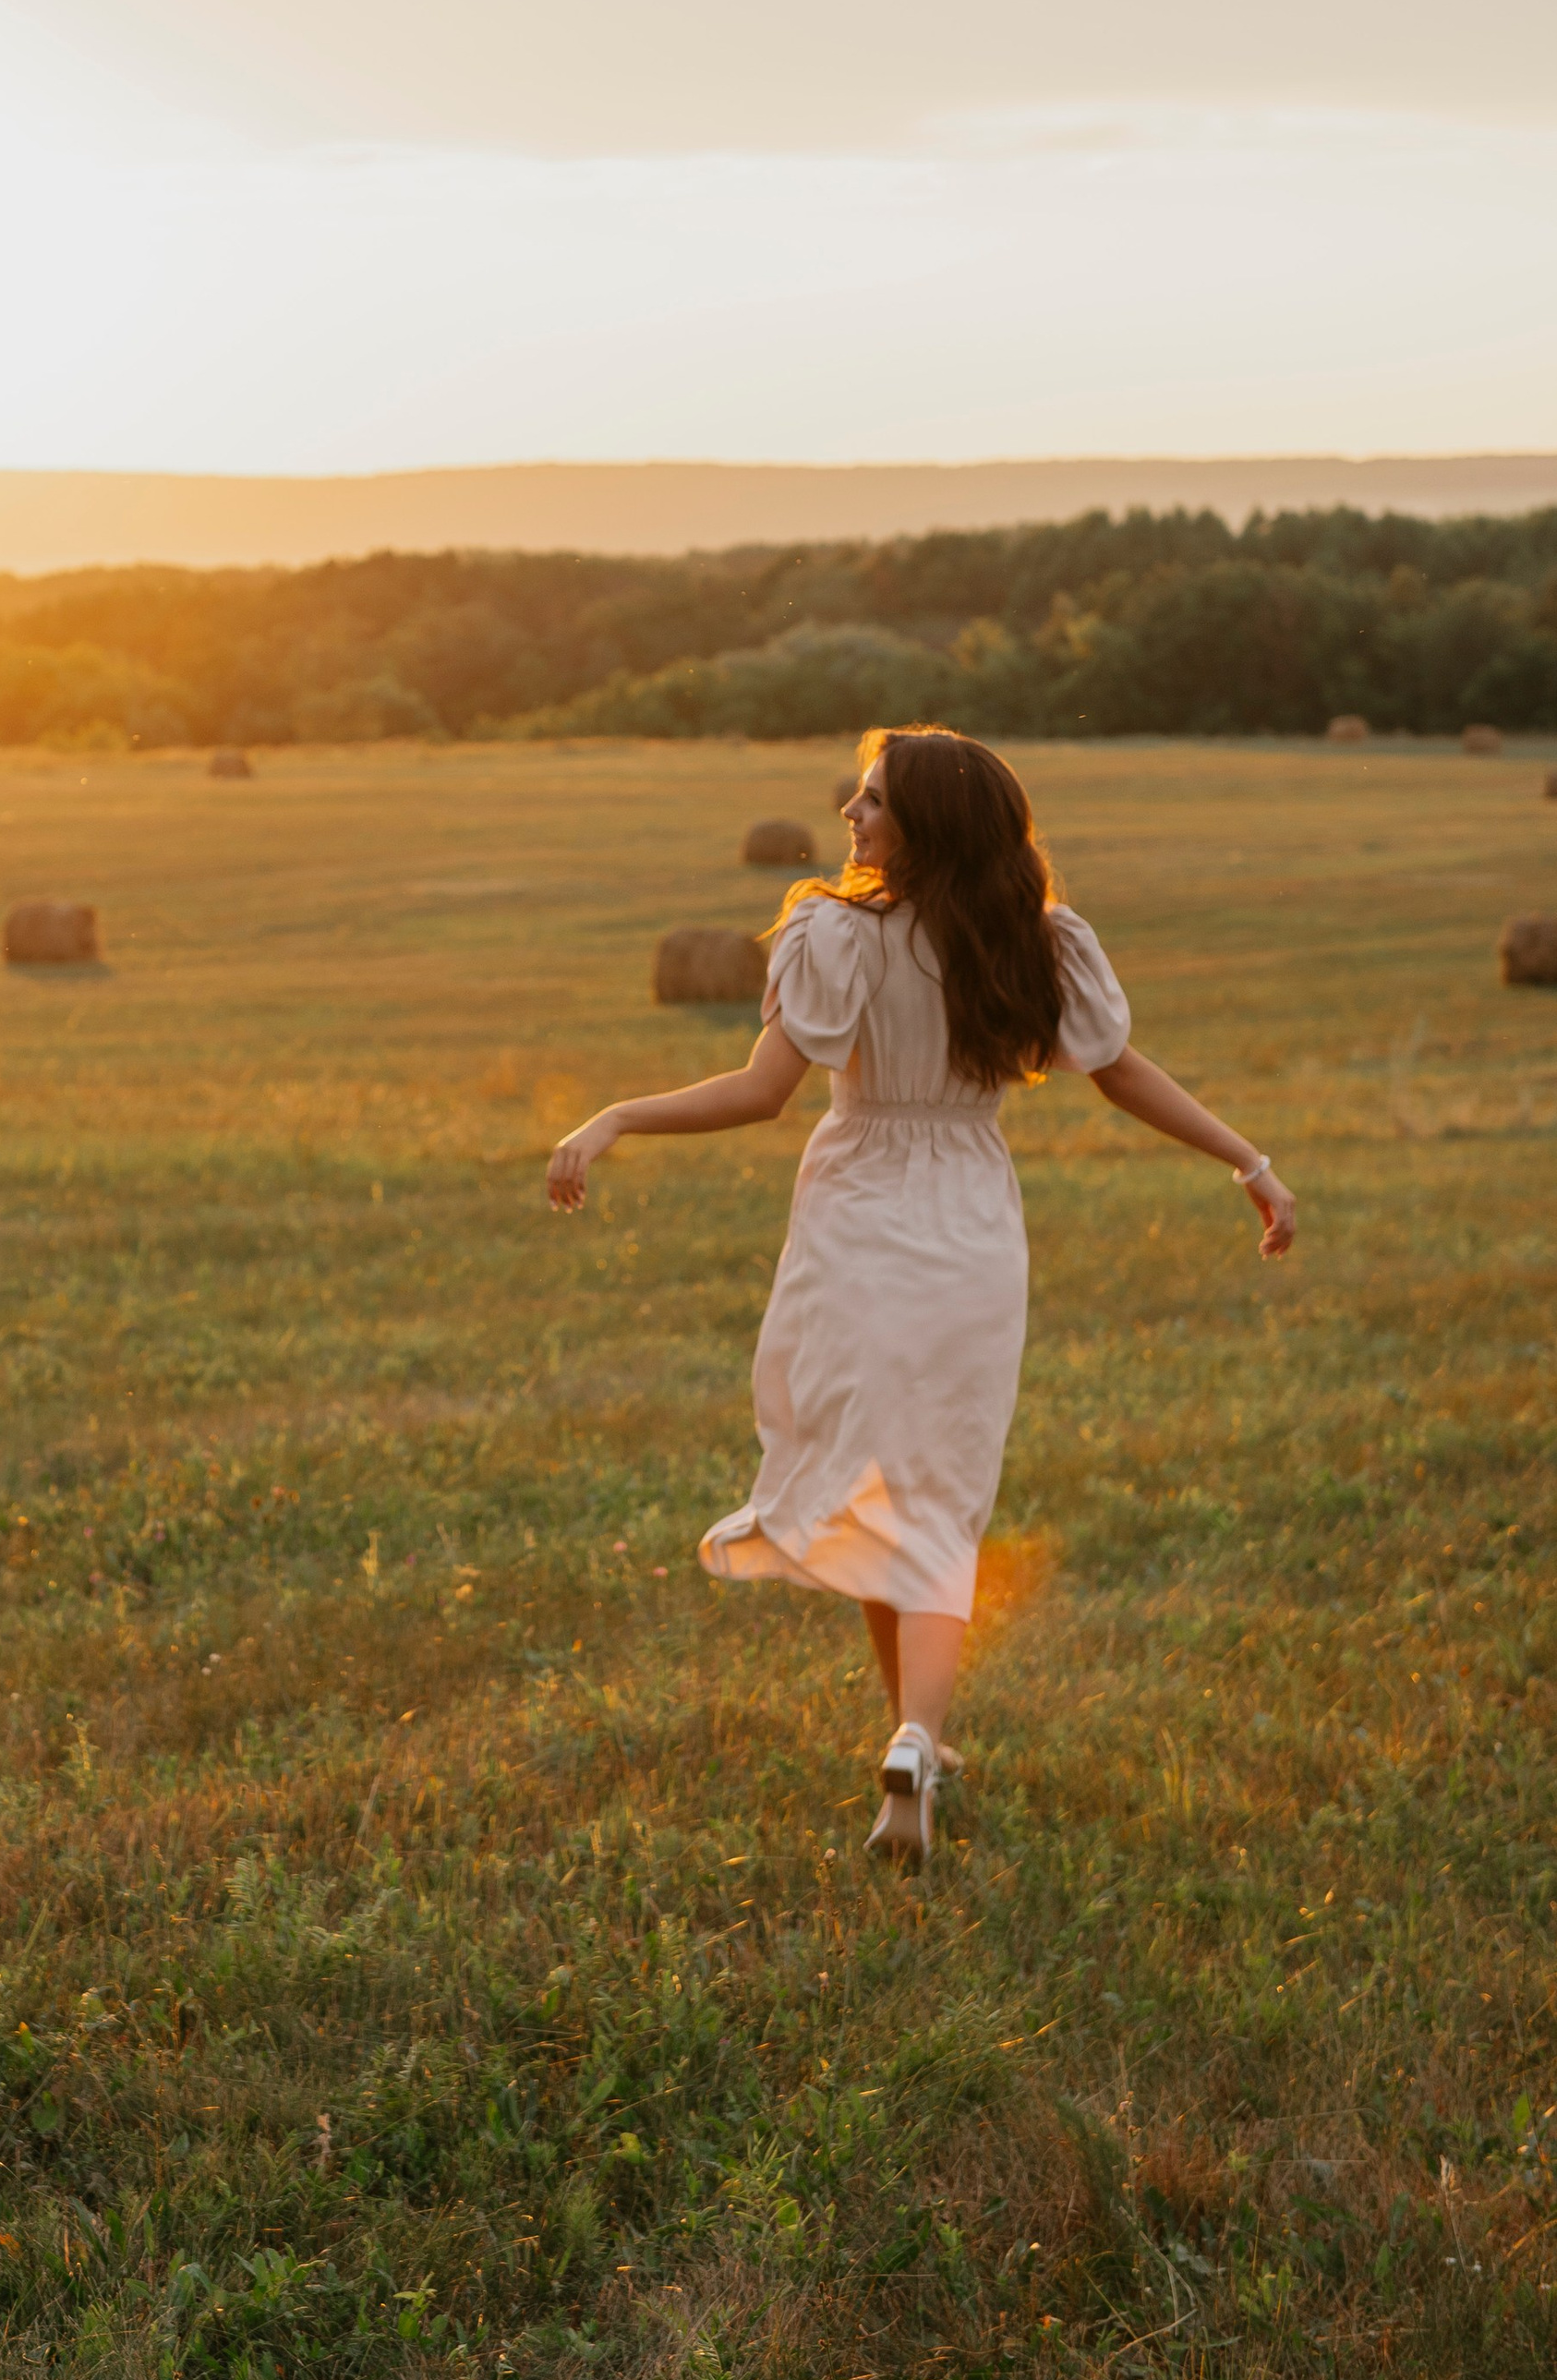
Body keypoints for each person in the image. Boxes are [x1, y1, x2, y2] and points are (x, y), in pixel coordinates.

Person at [546, 725, 1295, 1865]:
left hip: (854, 1207)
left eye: (875, 799)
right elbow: (1122, 1074)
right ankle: (918, 1740)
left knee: (874, 1484)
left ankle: (912, 1734)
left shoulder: (834, 933)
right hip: (967, 1216)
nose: (849, 811)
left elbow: (760, 1094)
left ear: (925, 824)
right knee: (936, 1488)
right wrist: (1249, 1159)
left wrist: (613, 1116)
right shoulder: (1030, 938)